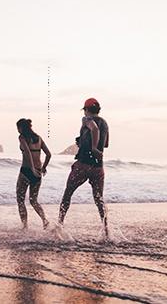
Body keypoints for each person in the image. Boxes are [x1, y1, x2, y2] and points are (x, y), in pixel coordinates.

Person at [58, 98, 110, 236]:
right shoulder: (105, 123)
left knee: (67, 194)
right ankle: (106, 230)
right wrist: (83, 142)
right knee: (99, 199)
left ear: (86, 110)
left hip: (83, 164)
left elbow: (94, 128)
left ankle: (60, 225)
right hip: (98, 167)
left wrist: (92, 147)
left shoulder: (86, 119)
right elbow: (105, 144)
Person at [16, 118, 51, 229]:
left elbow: (27, 152)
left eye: (18, 127)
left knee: (20, 199)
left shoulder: (22, 137)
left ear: (21, 128)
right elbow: (49, 154)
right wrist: (43, 167)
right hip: (38, 173)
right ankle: (45, 220)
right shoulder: (38, 138)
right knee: (33, 200)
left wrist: (31, 168)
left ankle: (25, 225)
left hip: (26, 171)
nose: (17, 130)